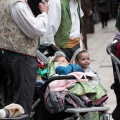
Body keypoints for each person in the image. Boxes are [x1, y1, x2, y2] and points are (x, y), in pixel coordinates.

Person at [0, 0, 48, 120]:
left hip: (11, 55)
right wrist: (44, 14)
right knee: (22, 105)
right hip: (22, 57)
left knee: (12, 103)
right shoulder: (18, 5)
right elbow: (34, 30)